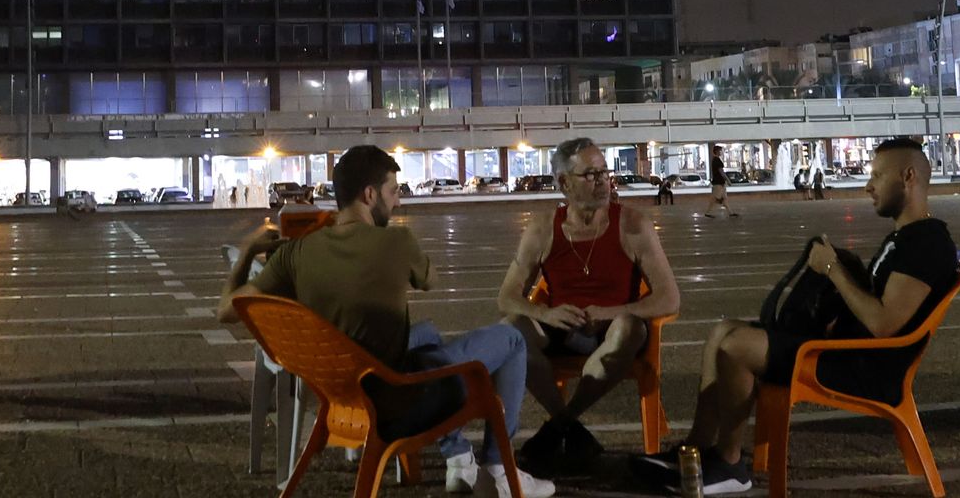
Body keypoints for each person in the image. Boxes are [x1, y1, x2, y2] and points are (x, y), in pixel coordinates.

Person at [218, 145, 554, 498]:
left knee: (426, 335)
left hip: (340, 399)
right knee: (512, 337)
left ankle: (459, 459)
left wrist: (246, 254)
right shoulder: (397, 241)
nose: (398, 202)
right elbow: (430, 279)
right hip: (398, 402)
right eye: (393, 192)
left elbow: (226, 310)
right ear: (369, 194)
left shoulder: (295, 253)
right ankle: (499, 468)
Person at [631, 138, 958, 496]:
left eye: (878, 176)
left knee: (737, 347)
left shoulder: (925, 243)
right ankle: (694, 450)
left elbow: (883, 325)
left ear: (908, 176)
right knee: (721, 331)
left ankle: (729, 464)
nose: (869, 186)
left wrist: (832, 269)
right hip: (844, 349)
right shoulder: (907, 237)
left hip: (863, 366)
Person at [496, 138, 680, 472]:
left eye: (605, 172)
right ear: (564, 183)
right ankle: (568, 425)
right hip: (559, 328)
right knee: (509, 330)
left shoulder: (632, 225)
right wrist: (545, 313)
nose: (603, 181)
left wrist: (608, 313)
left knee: (629, 328)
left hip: (613, 330)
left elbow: (669, 297)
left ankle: (559, 425)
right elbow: (506, 297)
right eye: (591, 174)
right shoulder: (542, 228)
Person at [702, 147, 737, 219]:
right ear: (717, 151)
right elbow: (721, 172)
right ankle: (708, 212)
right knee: (715, 198)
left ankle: (730, 212)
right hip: (718, 183)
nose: (721, 152)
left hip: (720, 183)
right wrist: (728, 180)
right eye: (720, 151)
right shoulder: (716, 160)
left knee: (724, 198)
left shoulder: (715, 160)